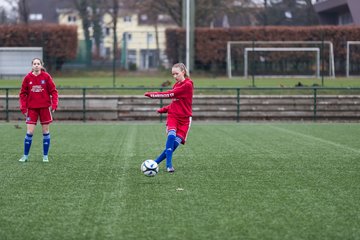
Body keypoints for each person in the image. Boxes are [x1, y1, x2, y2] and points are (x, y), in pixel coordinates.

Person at [144, 63, 194, 173]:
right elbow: (176, 102)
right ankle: (169, 165)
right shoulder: (176, 85)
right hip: (173, 116)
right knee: (171, 136)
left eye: (177, 73)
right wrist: (165, 109)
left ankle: (155, 162)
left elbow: (171, 94)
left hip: (185, 120)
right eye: (173, 74)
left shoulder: (188, 85)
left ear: (183, 72)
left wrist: (153, 94)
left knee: (175, 144)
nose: (175, 76)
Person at [18, 58, 58, 163]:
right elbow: (22, 94)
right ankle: (25, 156)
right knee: (29, 132)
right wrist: (23, 107)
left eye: (38, 63)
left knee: (45, 131)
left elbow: (54, 92)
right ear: (32, 65)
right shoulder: (27, 78)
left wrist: (54, 104)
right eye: (34, 64)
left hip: (44, 108)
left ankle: (45, 156)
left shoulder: (46, 77)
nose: (36, 65)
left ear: (41, 65)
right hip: (32, 109)